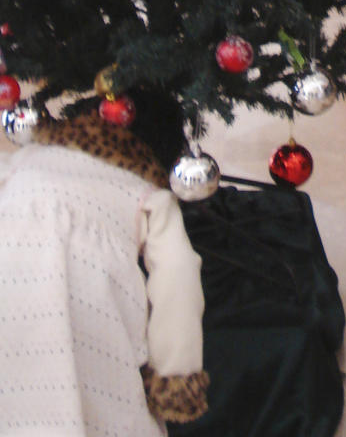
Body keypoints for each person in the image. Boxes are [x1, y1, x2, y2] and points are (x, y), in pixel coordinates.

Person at [0, 89, 209, 434]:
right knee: (105, 400)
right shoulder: (147, 194)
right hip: (88, 302)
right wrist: (175, 376)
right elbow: (177, 276)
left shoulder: (26, 159)